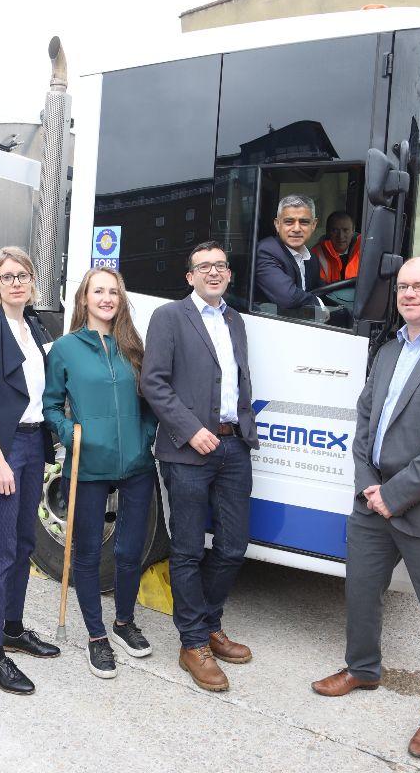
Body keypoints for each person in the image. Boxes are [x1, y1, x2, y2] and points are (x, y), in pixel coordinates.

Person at [311, 257, 420, 759]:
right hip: (373, 500)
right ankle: (362, 668)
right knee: (361, 590)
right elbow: (365, 420)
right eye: (403, 286)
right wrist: (370, 485)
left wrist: (396, 494)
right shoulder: (389, 350)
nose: (409, 294)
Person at [141, 241, 259, 693]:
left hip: (233, 448)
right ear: (189, 276)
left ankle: (209, 624)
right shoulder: (170, 317)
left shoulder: (235, 320)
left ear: (229, 275)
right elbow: (154, 381)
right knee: (188, 549)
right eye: (203, 267)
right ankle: (193, 643)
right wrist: (191, 430)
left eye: (220, 266)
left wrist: (244, 427)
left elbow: (237, 379)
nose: (213, 273)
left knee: (233, 546)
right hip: (188, 450)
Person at [43, 267, 159, 679]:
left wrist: (146, 437)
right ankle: (96, 636)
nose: (107, 298)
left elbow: (150, 402)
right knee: (88, 552)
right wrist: (68, 433)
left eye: (114, 292)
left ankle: (124, 622)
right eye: (99, 291)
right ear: (84, 299)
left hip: (137, 465)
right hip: (88, 465)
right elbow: (51, 405)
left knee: (130, 551)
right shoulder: (65, 349)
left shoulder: (134, 348)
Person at [0, 246, 60, 695]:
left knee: (24, 544)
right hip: (0, 450)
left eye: (23, 275)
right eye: (7, 277)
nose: (17, 282)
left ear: (33, 281)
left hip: (32, 443)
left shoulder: (35, 324)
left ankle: (12, 627)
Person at [253, 194, 323, 311]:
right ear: (277, 224)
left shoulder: (312, 258)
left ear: (314, 225)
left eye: (304, 222)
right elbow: (288, 298)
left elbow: (319, 288)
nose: (296, 229)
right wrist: (319, 304)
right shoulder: (265, 251)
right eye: (289, 222)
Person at [314, 210, 361, 283]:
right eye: (335, 230)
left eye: (345, 230)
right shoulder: (316, 254)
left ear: (353, 231)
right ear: (328, 232)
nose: (341, 236)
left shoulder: (365, 250)